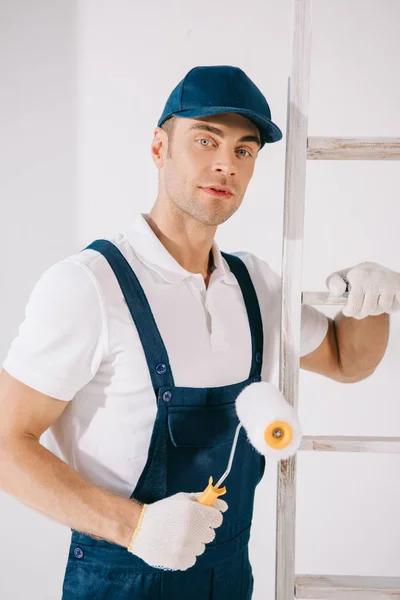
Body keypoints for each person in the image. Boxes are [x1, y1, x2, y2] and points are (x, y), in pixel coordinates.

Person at [0, 65, 395, 599]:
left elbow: (350, 361)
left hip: (229, 577)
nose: (223, 164)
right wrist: (134, 528)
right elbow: (6, 444)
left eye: (243, 150)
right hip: (121, 577)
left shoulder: (258, 286)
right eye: (204, 140)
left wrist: (370, 298)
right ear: (159, 148)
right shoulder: (88, 286)